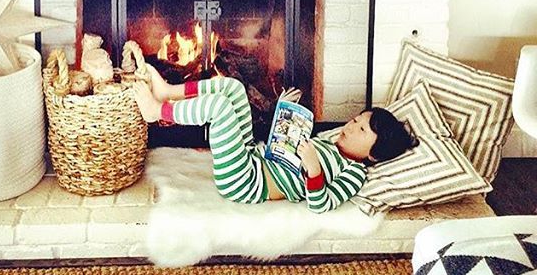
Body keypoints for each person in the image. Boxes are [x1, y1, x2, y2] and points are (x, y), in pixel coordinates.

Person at [134, 69, 418, 214]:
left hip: (245, 182)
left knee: (219, 108)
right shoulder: (329, 143)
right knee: (233, 87)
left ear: (374, 155)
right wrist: (282, 112)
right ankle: (169, 90)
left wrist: (314, 170)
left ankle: (157, 112)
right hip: (254, 157)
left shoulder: (354, 172)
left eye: (363, 130)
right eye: (356, 120)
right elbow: (279, 147)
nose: (352, 126)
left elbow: (321, 204)